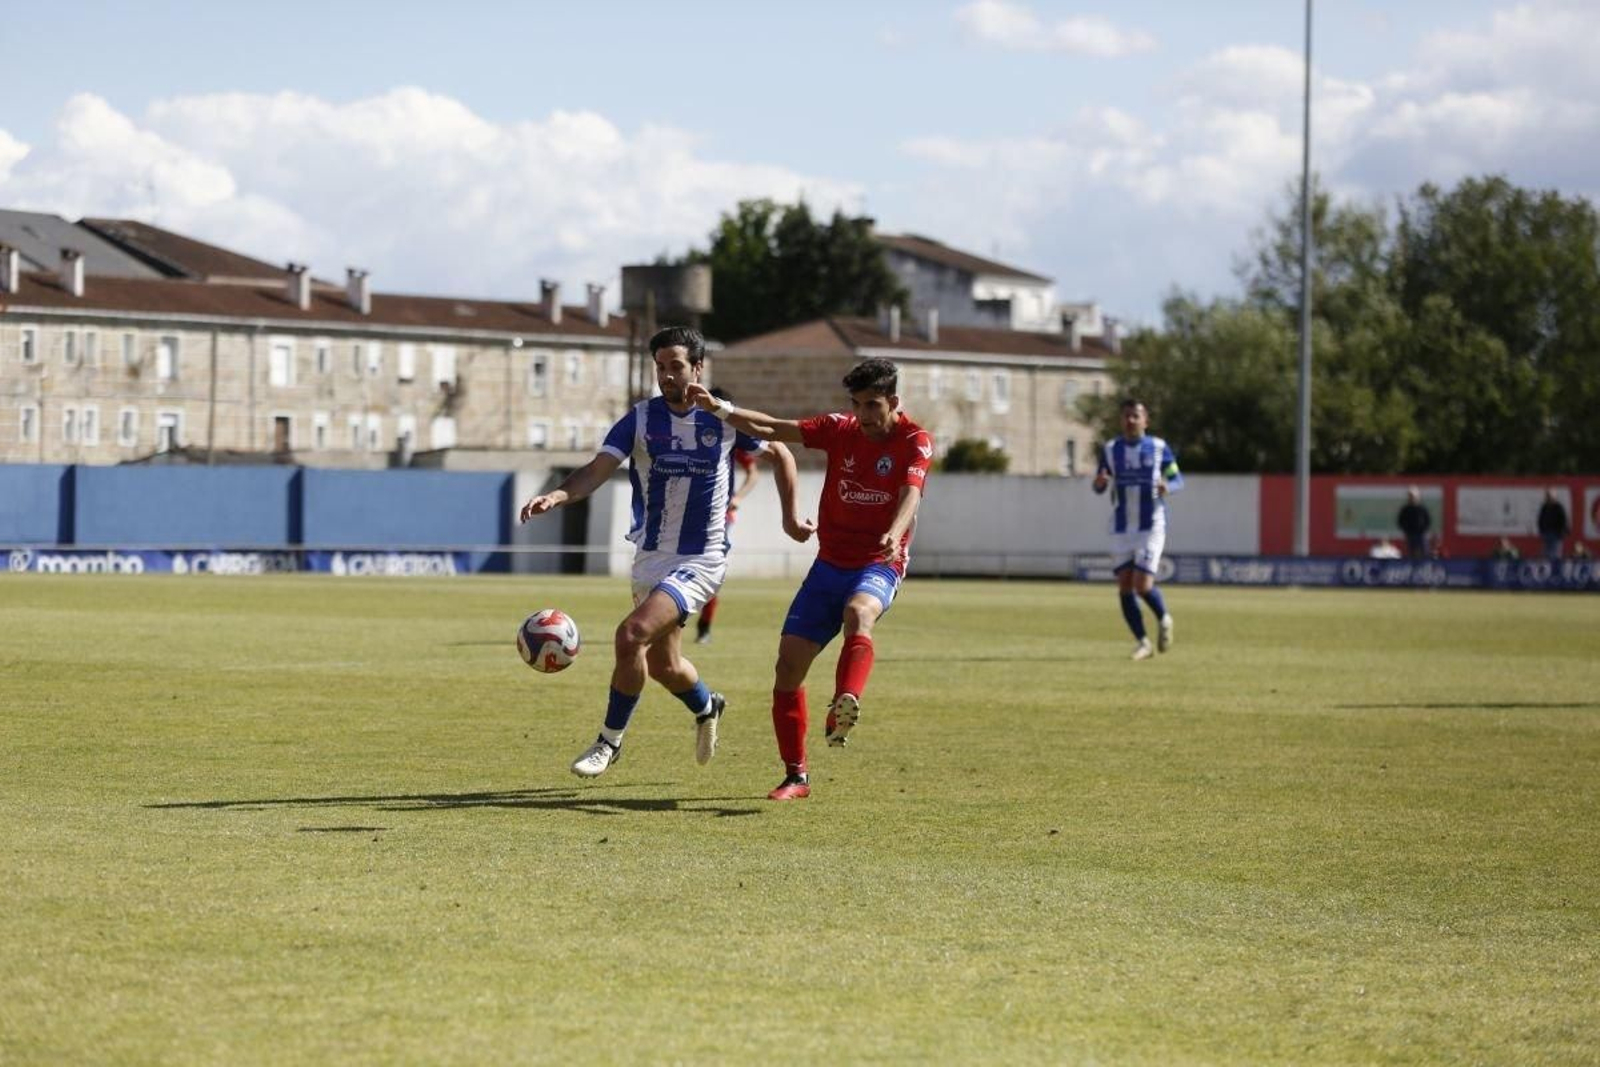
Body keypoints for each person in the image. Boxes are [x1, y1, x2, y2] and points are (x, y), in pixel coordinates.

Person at [519, 326, 808, 779]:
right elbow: (597, 469)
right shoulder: (640, 419)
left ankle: (608, 742)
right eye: (661, 367)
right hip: (651, 558)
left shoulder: (722, 418)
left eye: (676, 366)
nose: (668, 376)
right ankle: (708, 705)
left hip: (701, 560)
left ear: (698, 368)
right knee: (664, 666)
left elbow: (782, 454)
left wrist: (790, 519)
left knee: (630, 635)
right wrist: (557, 496)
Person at [686, 357, 931, 801]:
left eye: (873, 405)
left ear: (893, 401)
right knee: (787, 668)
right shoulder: (840, 429)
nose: (863, 415)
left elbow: (911, 493)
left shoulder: (915, 440)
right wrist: (720, 409)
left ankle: (844, 701)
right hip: (828, 565)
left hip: (879, 562)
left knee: (859, 612)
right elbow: (773, 428)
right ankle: (796, 777)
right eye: (857, 404)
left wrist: (894, 535)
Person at [1092, 398, 1183, 661]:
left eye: (1136, 416)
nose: (1131, 420)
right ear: (1121, 420)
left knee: (1142, 585)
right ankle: (1143, 642)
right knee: (1124, 586)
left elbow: (1177, 478)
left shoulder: (1158, 447)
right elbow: (1099, 486)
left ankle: (1164, 618)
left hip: (1151, 524)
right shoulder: (1111, 449)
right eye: (1126, 416)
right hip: (1121, 526)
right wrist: (1099, 483)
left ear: (1146, 420)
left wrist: (1168, 486)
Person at [694, 386, 762, 645]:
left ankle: (704, 627)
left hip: (720, 516)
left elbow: (754, 473)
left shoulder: (732, 436)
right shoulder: (690, 433)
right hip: (690, 512)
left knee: (711, 568)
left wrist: (738, 498)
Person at [1397, 487, 1431, 561]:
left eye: (1414, 496)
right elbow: (1401, 521)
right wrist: (1406, 530)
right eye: (1411, 496)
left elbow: (1427, 521)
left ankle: (1425, 565)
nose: (1412, 498)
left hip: (1421, 535)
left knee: (1424, 552)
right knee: (1411, 553)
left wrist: (1423, 530)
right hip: (1410, 535)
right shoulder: (1406, 509)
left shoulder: (1422, 509)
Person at [1537, 488, 1569, 560]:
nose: (1548, 498)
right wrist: (1542, 530)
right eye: (1547, 496)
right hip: (1546, 533)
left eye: (1550, 496)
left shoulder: (1558, 507)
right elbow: (1540, 519)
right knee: (1546, 553)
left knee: (1555, 554)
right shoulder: (1544, 507)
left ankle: (1555, 566)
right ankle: (1547, 566)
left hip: (1556, 534)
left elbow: (1563, 520)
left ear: (1554, 497)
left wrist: (1561, 532)